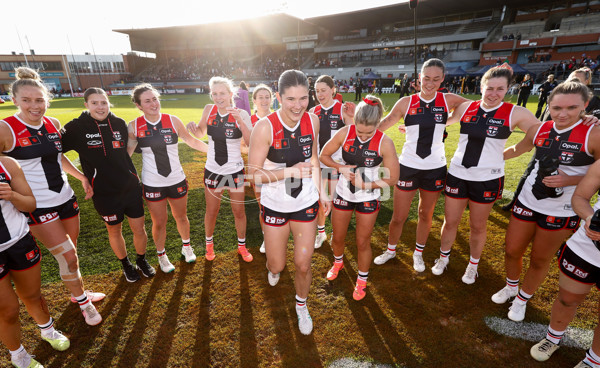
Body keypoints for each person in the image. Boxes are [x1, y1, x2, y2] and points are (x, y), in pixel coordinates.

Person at [0, 67, 104, 326]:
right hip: (36, 206)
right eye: (27, 100)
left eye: (39, 100)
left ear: (47, 100)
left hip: (66, 198)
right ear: (15, 100)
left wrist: (80, 177)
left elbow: (57, 158)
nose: (34, 106)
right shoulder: (6, 129)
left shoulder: (53, 123)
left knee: (72, 253)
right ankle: (84, 303)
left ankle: (77, 292)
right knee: (67, 256)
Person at [493, 80, 600, 322]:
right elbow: (517, 149)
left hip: (562, 210)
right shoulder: (539, 129)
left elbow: (598, 173)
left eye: (571, 108)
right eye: (556, 108)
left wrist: (571, 179)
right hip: (528, 200)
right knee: (512, 250)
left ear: (584, 105)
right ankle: (511, 287)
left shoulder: (594, 134)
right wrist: (489, 158)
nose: (563, 114)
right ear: (549, 106)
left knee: (540, 259)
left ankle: (522, 298)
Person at [431, 65, 541, 283]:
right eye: (489, 88)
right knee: (450, 221)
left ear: (508, 89)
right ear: (481, 88)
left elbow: (542, 132)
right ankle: (443, 258)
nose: (494, 93)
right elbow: (442, 120)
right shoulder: (466, 107)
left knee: (477, 226)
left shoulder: (514, 112)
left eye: (500, 89)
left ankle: (473, 266)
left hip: (487, 179)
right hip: (458, 174)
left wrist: (509, 153)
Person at [248, 69, 331, 335]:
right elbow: (253, 174)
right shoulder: (265, 127)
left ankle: (301, 305)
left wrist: (322, 192)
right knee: (277, 265)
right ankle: (272, 268)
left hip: (305, 204)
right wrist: (290, 171)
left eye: (304, 98)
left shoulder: (314, 121)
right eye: (291, 99)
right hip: (275, 206)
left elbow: (315, 160)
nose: (298, 105)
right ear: (278, 97)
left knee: (304, 264)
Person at [372, 58, 469, 272]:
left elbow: (473, 107)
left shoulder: (448, 99)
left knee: (425, 214)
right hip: (408, 165)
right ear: (419, 78)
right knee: (399, 216)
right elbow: (386, 123)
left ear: (443, 79)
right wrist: (363, 134)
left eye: (436, 79)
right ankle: (391, 250)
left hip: (435, 167)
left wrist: (447, 121)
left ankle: (418, 254)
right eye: (426, 78)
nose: (430, 83)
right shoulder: (406, 102)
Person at [61, 87, 151, 283]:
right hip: (104, 193)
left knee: (139, 228)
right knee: (114, 230)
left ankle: (141, 260)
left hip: (130, 188)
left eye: (103, 103)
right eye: (94, 103)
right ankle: (126, 264)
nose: (100, 107)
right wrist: (82, 177)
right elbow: (55, 152)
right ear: (86, 104)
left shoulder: (119, 123)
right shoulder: (76, 128)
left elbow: (131, 147)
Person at [320, 95, 398, 300]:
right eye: (359, 130)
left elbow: (393, 178)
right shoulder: (345, 132)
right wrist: (340, 167)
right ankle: (338, 263)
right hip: (343, 194)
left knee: (362, 241)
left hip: (368, 197)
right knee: (337, 237)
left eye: (368, 132)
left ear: (377, 125)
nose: (363, 136)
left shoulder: (385, 142)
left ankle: (361, 281)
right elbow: (323, 156)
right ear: (354, 122)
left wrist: (368, 185)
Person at [128, 84, 208, 273]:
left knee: (181, 217)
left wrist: (214, 152)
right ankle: (162, 256)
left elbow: (191, 140)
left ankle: (186, 246)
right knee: (159, 222)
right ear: (139, 105)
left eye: (155, 99)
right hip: (153, 183)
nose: (153, 103)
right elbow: (127, 154)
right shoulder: (134, 126)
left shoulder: (173, 120)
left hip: (176, 179)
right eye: (147, 101)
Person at [529, 159, 600, 367]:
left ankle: (594, 361)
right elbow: (580, 197)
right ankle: (552, 338)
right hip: (586, 247)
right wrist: (589, 219)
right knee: (567, 299)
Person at [0, 156, 68, 367]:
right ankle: (18, 354)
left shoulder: (7, 164)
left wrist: (11, 195)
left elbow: (30, 204)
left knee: (33, 295)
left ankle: (48, 330)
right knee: (8, 309)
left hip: (20, 241)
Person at [188, 77, 253, 262]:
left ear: (231, 94)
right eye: (214, 93)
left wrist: (240, 120)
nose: (218, 97)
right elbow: (201, 132)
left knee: (238, 211)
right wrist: (194, 128)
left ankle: (242, 246)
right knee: (212, 210)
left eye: (222, 93)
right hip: (213, 170)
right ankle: (209, 246)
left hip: (234, 170)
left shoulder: (241, 113)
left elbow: (250, 142)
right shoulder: (209, 110)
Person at [310, 75, 355, 249]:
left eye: (323, 90)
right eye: (317, 91)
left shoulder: (342, 109)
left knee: (337, 201)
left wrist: (350, 116)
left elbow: (351, 134)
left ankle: (336, 233)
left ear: (333, 89)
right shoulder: (313, 112)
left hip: (337, 164)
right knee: (319, 200)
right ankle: (321, 232)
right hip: (318, 164)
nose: (320, 94)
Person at [250, 84, 274, 253]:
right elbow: (243, 147)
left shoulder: (279, 118)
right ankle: (267, 238)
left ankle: (278, 237)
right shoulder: (249, 120)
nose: (264, 100)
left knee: (279, 206)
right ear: (254, 100)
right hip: (258, 171)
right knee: (263, 207)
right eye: (261, 97)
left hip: (277, 171)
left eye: (267, 97)